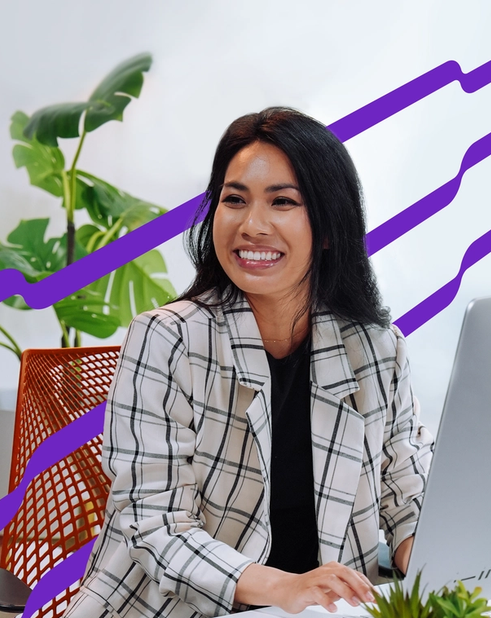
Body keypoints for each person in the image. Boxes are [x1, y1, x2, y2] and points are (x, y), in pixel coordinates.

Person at [65, 107, 434, 618]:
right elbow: (154, 525)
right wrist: (284, 588)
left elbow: (406, 489)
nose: (252, 225)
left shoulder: (376, 347)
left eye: (282, 202)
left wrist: (435, 561)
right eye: (234, 200)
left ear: (328, 227)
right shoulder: (167, 339)